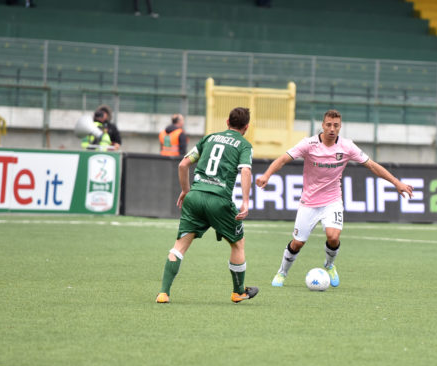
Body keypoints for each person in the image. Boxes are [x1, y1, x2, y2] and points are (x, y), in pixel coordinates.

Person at [255, 109, 414, 288]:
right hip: (309, 202)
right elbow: (283, 159)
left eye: (336, 125)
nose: (332, 129)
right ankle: (282, 272)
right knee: (298, 243)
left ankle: (329, 265)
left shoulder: (347, 146)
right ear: (323, 125)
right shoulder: (309, 144)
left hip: (332, 201)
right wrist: (266, 175)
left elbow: (371, 165)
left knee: (333, 236)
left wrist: (396, 182)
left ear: (340, 127)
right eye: (329, 125)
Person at [155, 107, 258, 304]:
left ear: (227, 122)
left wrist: (186, 190)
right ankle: (238, 292)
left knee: (179, 246)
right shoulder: (244, 145)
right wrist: (245, 201)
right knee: (237, 243)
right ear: (246, 127)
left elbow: (183, 164)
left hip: (194, 197)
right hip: (219, 200)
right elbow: (245, 170)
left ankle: (163, 293)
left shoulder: (209, 138)